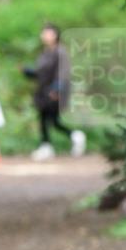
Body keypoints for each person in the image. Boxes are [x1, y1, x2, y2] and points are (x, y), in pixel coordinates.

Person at [21, 23, 86, 161]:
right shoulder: (45, 53)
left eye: (48, 33)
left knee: (51, 120)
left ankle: (62, 140)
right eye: (44, 33)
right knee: (47, 119)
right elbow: (41, 73)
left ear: (56, 35)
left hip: (54, 92)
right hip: (43, 91)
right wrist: (29, 72)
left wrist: (57, 89)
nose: (45, 36)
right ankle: (50, 144)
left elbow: (64, 72)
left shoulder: (60, 51)